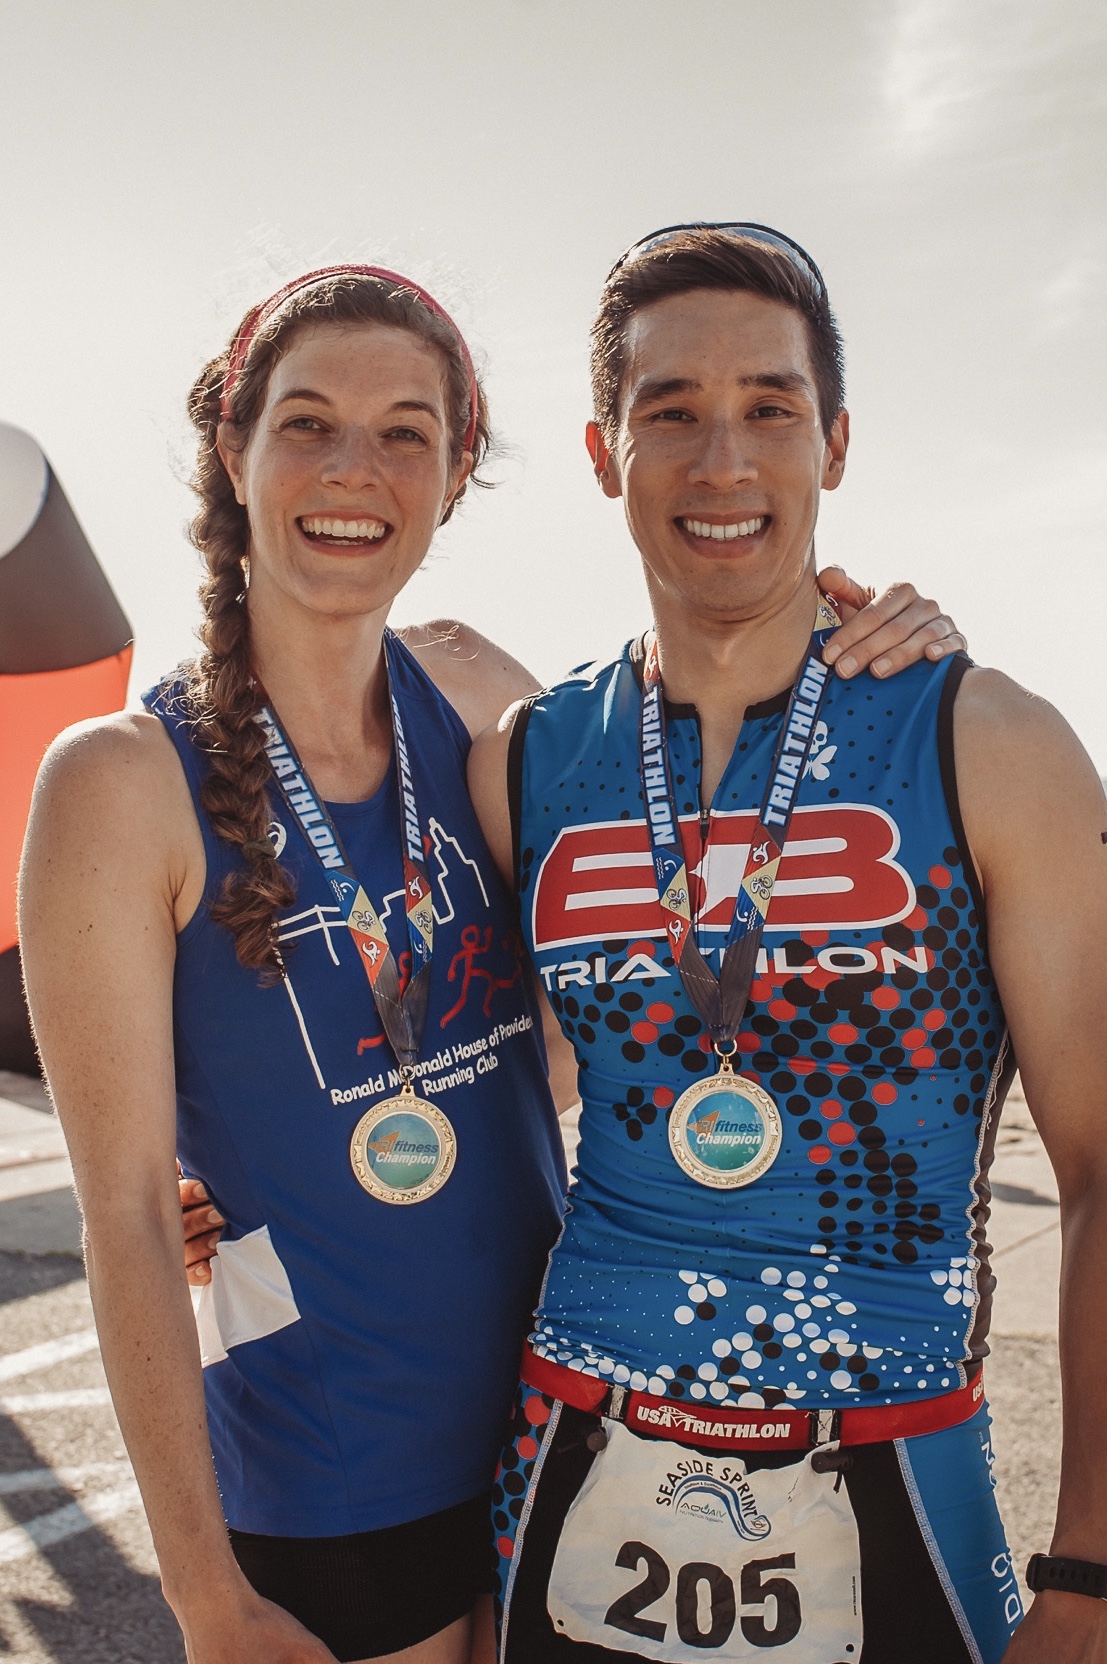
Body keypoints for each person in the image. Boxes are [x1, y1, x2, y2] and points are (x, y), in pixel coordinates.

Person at [21, 261, 961, 1664]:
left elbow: (657, 908)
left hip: (570, 1427)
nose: (356, 469)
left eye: (406, 431)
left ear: (458, 470)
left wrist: (864, 633)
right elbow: (126, 1220)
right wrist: (206, 1599)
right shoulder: (117, 781)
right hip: (338, 1479)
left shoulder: (476, 695)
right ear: (234, 446)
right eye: (308, 423)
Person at [465, 225, 1107, 1663]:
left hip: (892, 1466)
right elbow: (473, 1066)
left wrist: (1094, 1569)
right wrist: (227, 1173)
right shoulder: (529, 758)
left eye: (770, 408)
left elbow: (1103, 1166)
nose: (723, 462)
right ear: (603, 452)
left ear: (837, 443)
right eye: (671, 412)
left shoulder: (987, 740)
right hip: (571, 1460)